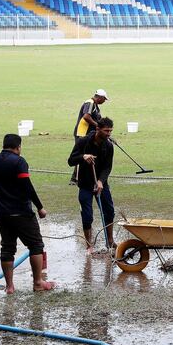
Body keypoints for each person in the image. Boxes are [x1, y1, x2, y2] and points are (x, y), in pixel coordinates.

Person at [0, 134, 55, 294]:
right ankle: (38, 283)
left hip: (2, 213)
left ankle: (9, 286)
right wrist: (40, 207)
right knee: (36, 245)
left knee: (7, 248)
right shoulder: (19, 161)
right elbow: (27, 186)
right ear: (18, 147)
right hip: (22, 212)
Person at [68, 118, 116, 251]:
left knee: (109, 211)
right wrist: (83, 157)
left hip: (101, 183)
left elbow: (107, 167)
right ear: (98, 129)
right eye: (106, 131)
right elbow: (71, 160)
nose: (108, 134)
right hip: (85, 184)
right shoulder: (83, 142)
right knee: (87, 215)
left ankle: (110, 241)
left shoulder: (109, 145)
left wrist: (101, 181)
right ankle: (89, 245)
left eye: (110, 131)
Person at [70, 89, 110, 185]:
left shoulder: (95, 106)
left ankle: (80, 177)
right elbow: (86, 116)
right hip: (82, 134)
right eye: (104, 99)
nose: (104, 101)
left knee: (88, 155)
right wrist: (98, 126)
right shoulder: (90, 103)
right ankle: (75, 178)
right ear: (99, 97)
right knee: (81, 155)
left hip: (89, 135)